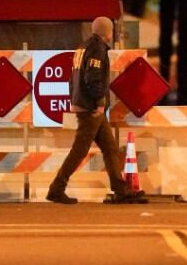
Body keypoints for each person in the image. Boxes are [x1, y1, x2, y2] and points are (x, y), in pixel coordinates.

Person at [47, 16, 147, 204]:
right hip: (91, 107)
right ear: (108, 32)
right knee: (80, 150)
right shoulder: (97, 49)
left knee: (110, 149)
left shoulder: (83, 47)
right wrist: (99, 103)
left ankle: (121, 190)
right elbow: (93, 78)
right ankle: (56, 189)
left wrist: (74, 100)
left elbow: (72, 78)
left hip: (84, 103)